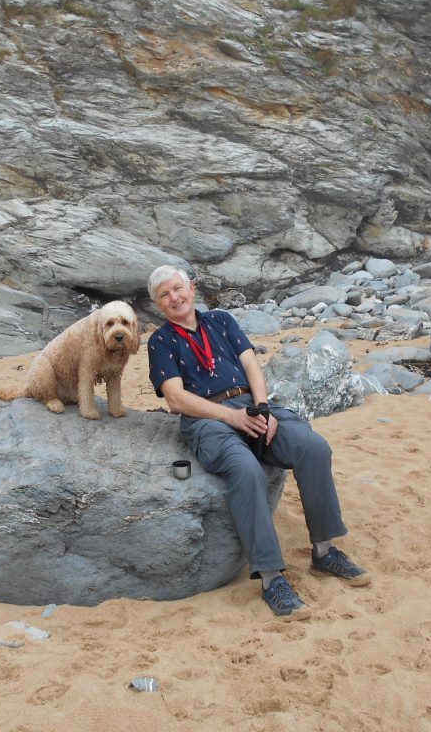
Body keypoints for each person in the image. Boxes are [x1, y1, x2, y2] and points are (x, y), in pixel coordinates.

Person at [147, 264, 370, 619]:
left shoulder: (221, 320)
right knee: (246, 468)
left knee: (313, 448)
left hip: (250, 404)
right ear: (158, 304)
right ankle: (271, 578)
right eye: (164, 295)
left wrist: (262, 408)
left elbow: (252, 366)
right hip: (207, 419)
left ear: (191, 288)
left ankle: (324, 552)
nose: (174, 298)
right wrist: (230, 417)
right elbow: (175, 399)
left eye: (178, 288)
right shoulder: (161, 341)